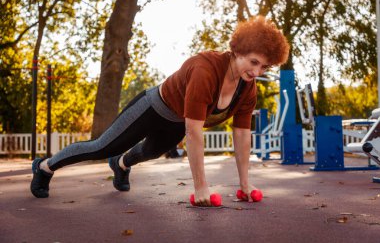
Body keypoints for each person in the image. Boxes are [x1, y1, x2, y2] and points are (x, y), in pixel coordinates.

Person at [30, 16, 289, 206]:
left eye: (265, 67)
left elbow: (243, 136)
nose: (256, 72)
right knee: (102, 146)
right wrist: (201, 187)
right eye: (254, 62)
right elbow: (194, 132)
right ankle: (44, 167)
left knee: (150, 152)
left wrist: (245, 185)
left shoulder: (248, 87)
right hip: (153, 107)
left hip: (178, 120)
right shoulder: (205, 70)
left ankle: (120, 164)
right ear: (237, 51)